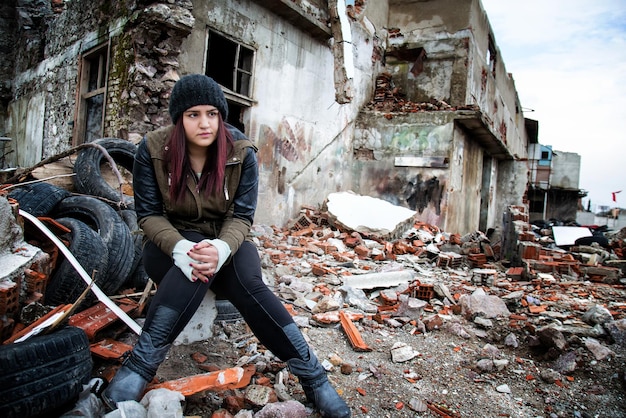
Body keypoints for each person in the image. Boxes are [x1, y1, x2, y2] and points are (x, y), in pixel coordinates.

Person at [102, 74, 351, 418]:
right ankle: (141, 367)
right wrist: (179, 249)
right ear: (179, 119)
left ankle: (316, 380)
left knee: (249, 283)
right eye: (193, 115)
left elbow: (242, 217)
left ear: (221, 115)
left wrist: (220, 249)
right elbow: (148, 214)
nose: (205, 123)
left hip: (228, 242)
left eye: (212, 114)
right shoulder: (152, 150)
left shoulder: (241, 151)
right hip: (169, 246)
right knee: (191, 266)